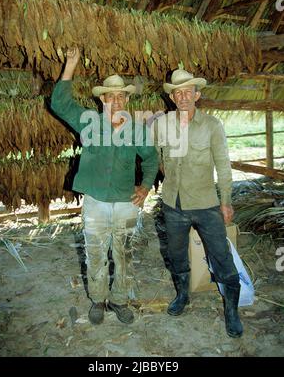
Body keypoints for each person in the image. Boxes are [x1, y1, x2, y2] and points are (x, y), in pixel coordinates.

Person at [51, 47, 158, 325]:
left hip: (125, 203)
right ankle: (98, 299)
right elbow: (59, 104)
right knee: (96, 253)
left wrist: (145, 187)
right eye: (111, 95)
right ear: (102, 100)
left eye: (121, 95)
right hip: (96, 202)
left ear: (127, 99)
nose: (117, 100)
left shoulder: (137, 129)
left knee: (124, 255)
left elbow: (150, 159)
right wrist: (71, 65)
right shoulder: (89, 122)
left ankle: (120, 300)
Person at [155, 69, 243, 338]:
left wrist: (225, 201)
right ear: (172, 97)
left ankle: (232, 311)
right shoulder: (162, 124)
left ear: (197, 95)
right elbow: (159, 158)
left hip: (206, 204)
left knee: (222, 256)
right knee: (177, 255)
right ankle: (182, 295)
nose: (183, 96)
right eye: (177, 92)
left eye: (188, 92)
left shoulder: (212, 126)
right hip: (173, 204)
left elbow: (223, 167)